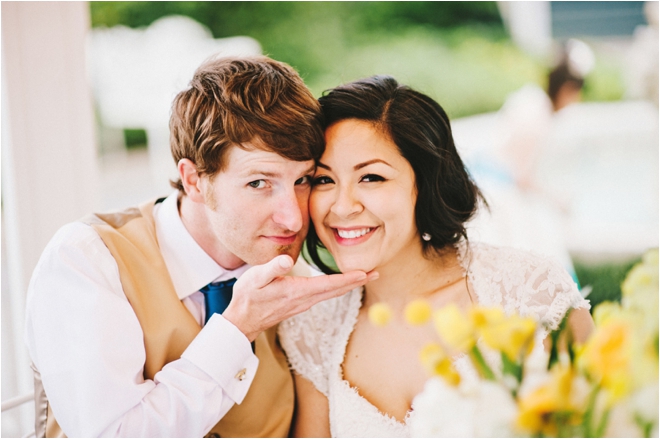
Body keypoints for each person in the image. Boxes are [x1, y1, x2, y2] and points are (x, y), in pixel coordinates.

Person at [24, 56, 376, 438]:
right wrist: (238, 328)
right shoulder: (86, 259)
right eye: (259, 183)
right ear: (193, 180)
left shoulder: (298, 282)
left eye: (304, 180)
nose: (293, 219)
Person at [278, 76, 595, 437]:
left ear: (425, 185)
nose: (343, 206)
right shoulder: (313, 328)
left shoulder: (530, 293)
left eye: (371, 178)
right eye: (323, 180)